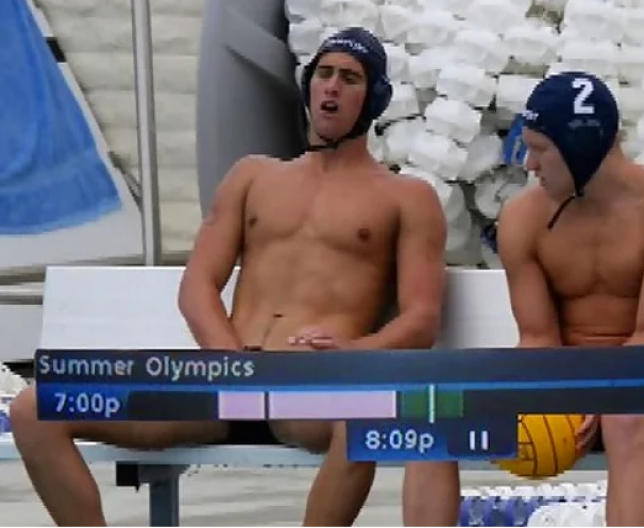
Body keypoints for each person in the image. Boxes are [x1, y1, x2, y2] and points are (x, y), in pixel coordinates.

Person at [9, 27, 460, 526]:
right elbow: (197, 285)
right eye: (324, 74)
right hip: (223, 379)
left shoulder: (406, 198)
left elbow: (421, 320)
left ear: (374, 99)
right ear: (307, 86)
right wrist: (228, 359)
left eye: (350, 78)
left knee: (363, 421)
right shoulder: (253, 176)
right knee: (33, 409)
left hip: (312, 388)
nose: (332, 86)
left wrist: (352, 352)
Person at [496, 71, 644, 526]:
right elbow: (537, 338)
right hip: (561, 388)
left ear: (581, 147)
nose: (529, 165)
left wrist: (605, 396)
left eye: (540, 150)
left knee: (623, 418)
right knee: (440, 415)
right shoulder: (522, 217)